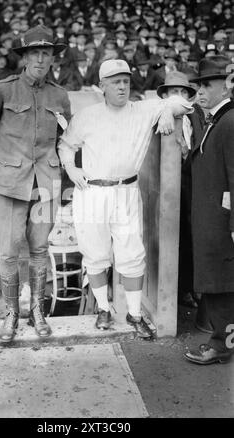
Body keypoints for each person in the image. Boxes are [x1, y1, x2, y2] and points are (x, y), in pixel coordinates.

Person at [58, 59, 193, 338]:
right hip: (91, 191)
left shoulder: (143, 109)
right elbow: (66, 146)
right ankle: (104, 309)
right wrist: (72, 169)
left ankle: (134, 314)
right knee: (95, 254)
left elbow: (184, 103)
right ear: (103, 86)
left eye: (126, 81)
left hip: (126, 191)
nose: (122, 87)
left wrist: (167, 109)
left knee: (132, 254)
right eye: (115, 82)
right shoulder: (88, 115)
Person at [0, 25, 71, 342]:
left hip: (46, 183)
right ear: (24, 57)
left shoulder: (60, 95)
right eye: (35, 53)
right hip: (10, 183)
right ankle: (12, 314)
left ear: (53, 58)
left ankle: (37, 311)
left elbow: (68, 140)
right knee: (9, 251)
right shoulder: (1, 90)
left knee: (39, 249)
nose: (41, 59)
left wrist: (66, 178)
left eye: (47, 53)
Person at [184, 55, 234, 365]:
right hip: (209, 220)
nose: (200, 92)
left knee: (224, 285)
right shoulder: (213, 118)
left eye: (207, 85)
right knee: (217, 283)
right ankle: (222, 340)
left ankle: (221, 345)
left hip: (221, 221)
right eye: (198, 86)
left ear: (226, 85)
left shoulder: (229, 121)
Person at [157, 71, 204, 309]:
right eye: (173, 92)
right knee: (169, 238)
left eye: (183, 92)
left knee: (191, 236)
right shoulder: (157, 116)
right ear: (164, 95)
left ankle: (189, 288)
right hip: (164, 188)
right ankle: (170, 294)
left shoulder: (197, 116)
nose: (178, 97)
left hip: (191, 185)